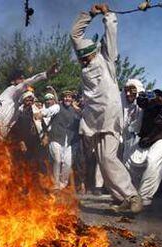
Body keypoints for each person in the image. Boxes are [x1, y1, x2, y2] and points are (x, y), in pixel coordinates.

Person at [71, 3, 142, 213]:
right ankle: (122, 198)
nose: (84, 60)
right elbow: (75, 34)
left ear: (94, 52)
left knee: (109, 158)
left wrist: (107, 14)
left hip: (110, 116)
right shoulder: (84, 59)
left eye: (87, 57)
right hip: (93, 119)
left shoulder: (106, 59)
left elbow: (111, 32)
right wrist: (90, 14)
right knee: (102, 161)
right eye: (81, 58)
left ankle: (132, 195)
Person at [127, 90, 162, 207]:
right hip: (151, 139)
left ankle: (144, 199)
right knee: (130, 161)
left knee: (152, 160)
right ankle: (133, 195)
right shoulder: (146, 110)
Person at [0, 64, 59, 137]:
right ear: (12, 82)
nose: (23, 80)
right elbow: (27, 83)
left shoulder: (18, 105)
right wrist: (46, 73)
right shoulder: (12, 90)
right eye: (21, 78)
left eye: (24, 78)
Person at [48, 91, 80, 190]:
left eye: (69, 97)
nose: (67, 99)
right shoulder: (57, 107)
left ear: (72, 99)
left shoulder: (74, 110)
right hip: (56, 138)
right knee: (57, 160)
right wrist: (41, 113)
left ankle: (62, 184)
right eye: (66, 97)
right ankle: (55, 184)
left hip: (68, 141)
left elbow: (82, 116)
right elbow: (49, 111)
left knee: (67, 163)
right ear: (63, 98)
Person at [120, 79, 144, 163]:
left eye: (131, 90)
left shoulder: (144, 108)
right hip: (123, 140)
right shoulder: (122, 106)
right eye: (126, 91)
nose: (128, 94)